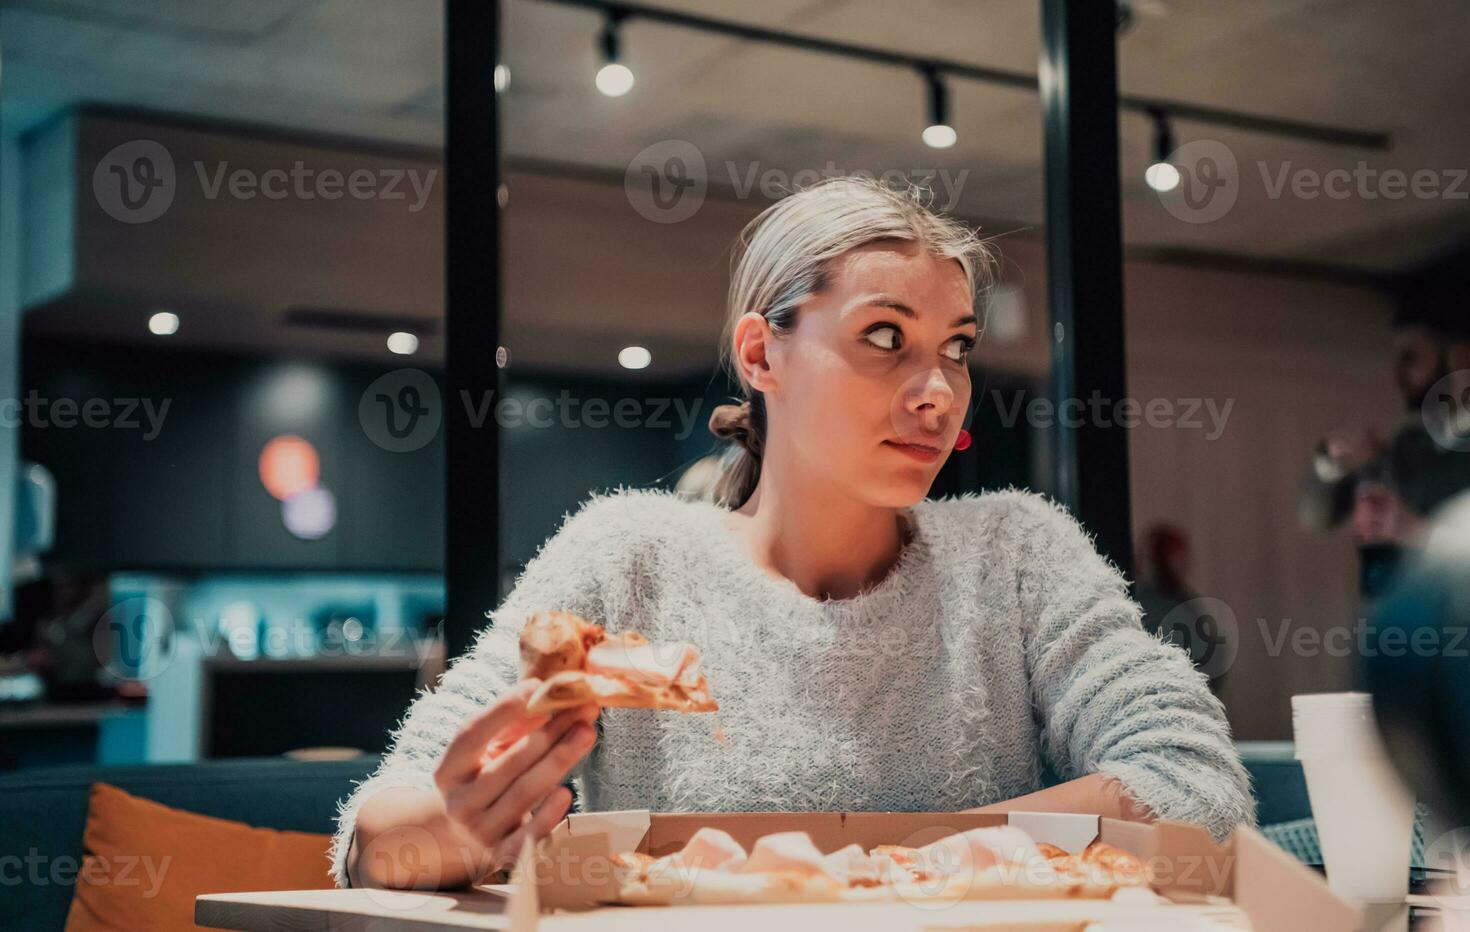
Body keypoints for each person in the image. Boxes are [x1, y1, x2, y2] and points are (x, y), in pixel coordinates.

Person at [333, 177, 1254, 891]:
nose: (936, 390)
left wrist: (873, 871)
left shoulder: (1017, 553)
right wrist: (450, 830)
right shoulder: (628, 558)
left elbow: (1195, 788)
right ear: (761, 353)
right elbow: (377, 838)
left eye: (958, 347)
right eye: (886, 337)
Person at [1299, 269, 1470, 598]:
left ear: (1460, 355)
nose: (1397, 374)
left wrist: (1419, 533)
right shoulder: (1408, 447)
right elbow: (1316, 518)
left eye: (1411, 358)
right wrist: (1330, 463)